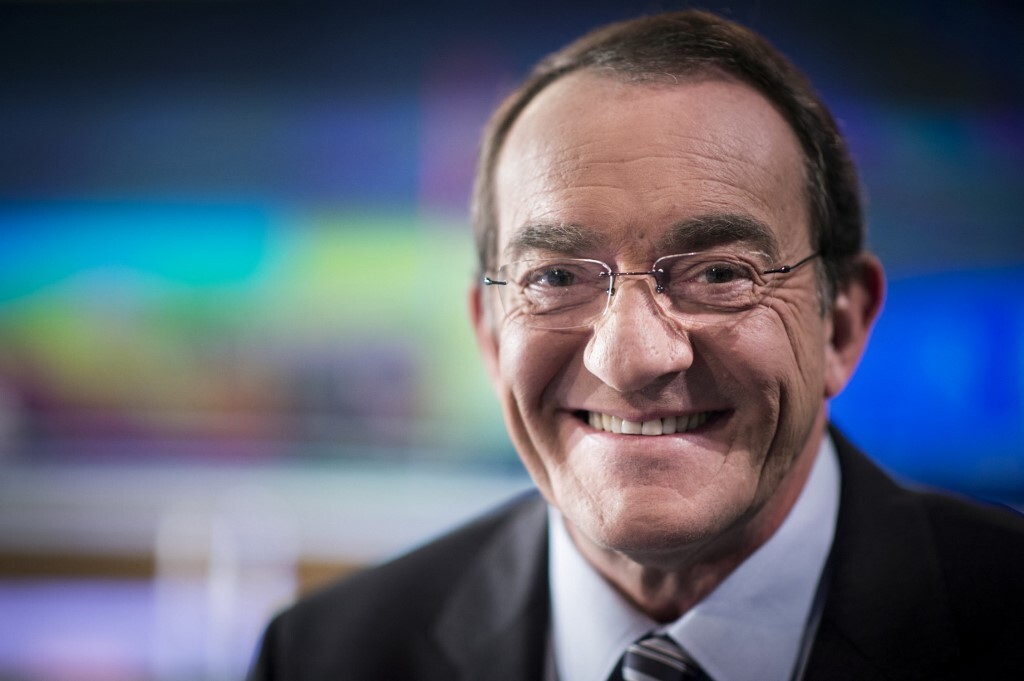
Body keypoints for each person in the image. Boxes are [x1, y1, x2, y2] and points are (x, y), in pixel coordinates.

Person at [249, 10, 1024, 680]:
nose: (631, 357)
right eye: (554, 277)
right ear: (489, 336)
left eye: (720, 272)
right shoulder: (325, 655)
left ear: (843, 324)